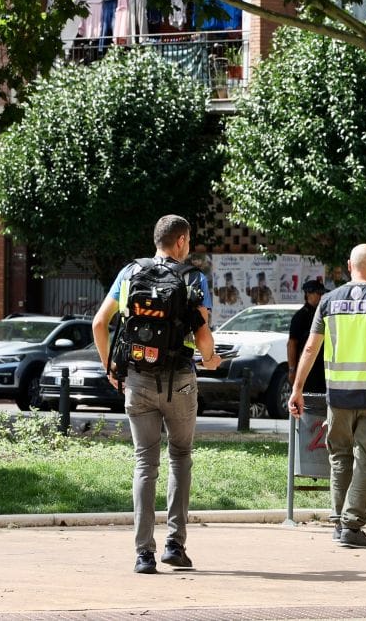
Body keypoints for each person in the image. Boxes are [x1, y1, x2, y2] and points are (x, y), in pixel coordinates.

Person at [91, 215, 222, 575]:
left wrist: (110, 369)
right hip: (179, 380)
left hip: (136, 380)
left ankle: (143, 554)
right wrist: (211, 360)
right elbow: (203, 335)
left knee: (144, 463)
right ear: (180, 242)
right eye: (189, 240)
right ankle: (174, 546)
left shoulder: (129, 274)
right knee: (180, 456)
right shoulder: (193, 278)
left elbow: (99, 324)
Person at [288, 243, 366, 549]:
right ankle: (352, 523)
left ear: (348, 265)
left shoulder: (328, 301)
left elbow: (311, 348)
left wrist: (297, 388)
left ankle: (337, 520)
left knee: (339, 457)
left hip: (339, 395)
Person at [287, 280, 328, 397]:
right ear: (308, 294)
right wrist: (292, 370)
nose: (321, 296)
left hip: (323, 367)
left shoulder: (322, 314)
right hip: (308, 368)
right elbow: (292, 344)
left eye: (322, 293)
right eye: (318, 293)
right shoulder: (301, 316)